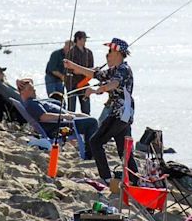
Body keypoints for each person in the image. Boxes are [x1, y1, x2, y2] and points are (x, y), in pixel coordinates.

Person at [64, 37, 138, 185]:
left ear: (117, 53)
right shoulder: (115, 69)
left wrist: (97, 90)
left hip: (120, 113)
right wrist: (73, 66)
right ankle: (136, 181)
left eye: (109, 51)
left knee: (96, 141)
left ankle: (106, 178)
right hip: (124, 114)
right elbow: (95, 74)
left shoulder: (123, 69)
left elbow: (114, 83)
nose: (107, 55)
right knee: (123, 151)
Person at [17, 78, 97, 159]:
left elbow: (30, 81)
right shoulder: (31, 103)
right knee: (92, 122)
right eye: (30, 89)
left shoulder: (31, 100)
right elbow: (43, 117)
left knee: (89, 118)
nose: (34, 90)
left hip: (65, 119)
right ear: (23, 92)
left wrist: (18, 81)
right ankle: (89, 154)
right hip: (61, 126)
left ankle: (91, 151)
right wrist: (64, 116)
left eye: (33, 88)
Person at [65, 31, 93, 114]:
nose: (85, 41)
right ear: (78, 39)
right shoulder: (71, 52)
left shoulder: (89, 52)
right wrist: (85, 71)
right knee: (71, 109)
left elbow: (91, 69)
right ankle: (69, 125)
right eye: (84, 39)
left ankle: (86, 125)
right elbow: (71, 69)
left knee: (86, 109)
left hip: (84, 83)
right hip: (71, 83)